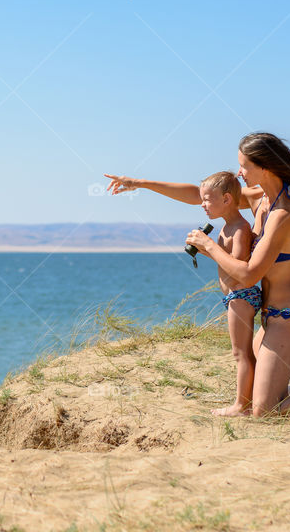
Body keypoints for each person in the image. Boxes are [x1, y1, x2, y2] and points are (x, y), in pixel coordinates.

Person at [107, 132, 290, 420]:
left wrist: (208, 245)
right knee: (270, 395)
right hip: (268, 320)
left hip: (288, 318)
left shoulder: (284, 213)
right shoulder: (261, 198)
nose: (239, 173)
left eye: (244, 166)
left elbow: (249, 275)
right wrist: (138, 183)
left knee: (265, 411)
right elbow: (199, 193)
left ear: (265, 167)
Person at [106, 170, 261, 416]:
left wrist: (207, 246)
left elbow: (238, 265)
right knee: (241, 351)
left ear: (227, 199)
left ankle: (241, 406)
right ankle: (245, 401)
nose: (202, 205)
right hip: (235, 296)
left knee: (240, 352)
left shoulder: (239, 227)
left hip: (241, 297)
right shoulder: (228, 226)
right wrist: (203, 249)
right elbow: (227, 262)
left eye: (207, 200)